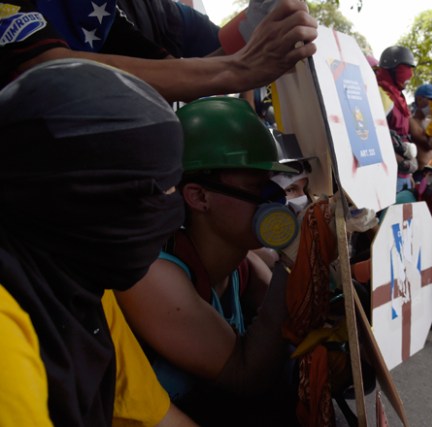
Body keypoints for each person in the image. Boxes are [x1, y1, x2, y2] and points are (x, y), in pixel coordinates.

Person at [0, 59, 192, 426]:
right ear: (88, 197)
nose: (172, 209)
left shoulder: (81, 284)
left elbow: (150, 418)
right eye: (159, 192)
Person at [115, 96, 303, 426]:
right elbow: (246, 374)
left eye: (273, 186)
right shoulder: (151, 274)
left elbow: (297, 318)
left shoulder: (243, 261)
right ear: (199, 197)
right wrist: (293, 260)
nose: (274, 202)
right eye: (256, 187)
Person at [0, 0, 318, 101]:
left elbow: (169, 74)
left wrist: (260, 26)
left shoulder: (104, 10)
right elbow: (48, 69)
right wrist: (239, 69)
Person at [375, 45, 419, 191]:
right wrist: (400, 161)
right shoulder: (379, 93)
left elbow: (404, 134)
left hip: (403, 175)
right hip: (386, 174)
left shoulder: (399, 96)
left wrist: (409, 174)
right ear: (392, 69)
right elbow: (373, 136)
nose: (410, 75)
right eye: (406, 68)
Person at [410, 83, 432, 168]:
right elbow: (430, 145)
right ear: (419, 99)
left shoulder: (429, 122)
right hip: (421, 173)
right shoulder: (411, 121)